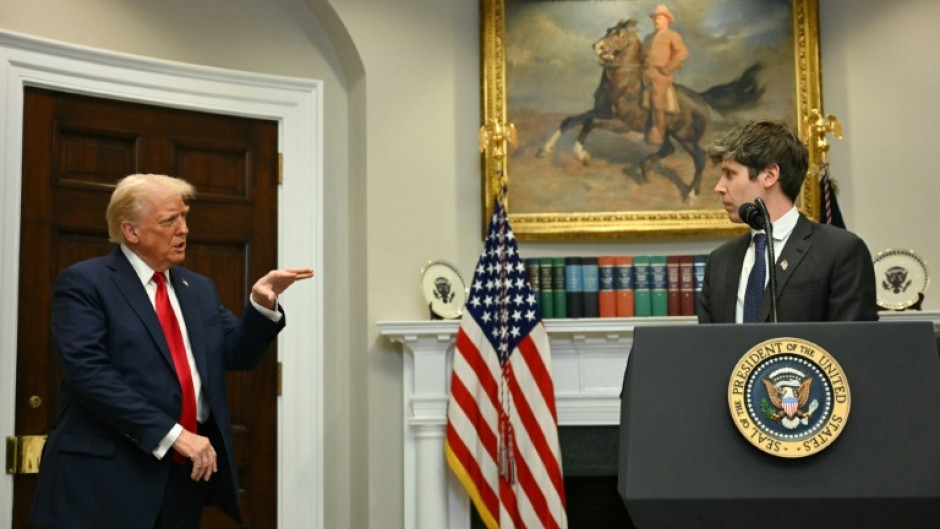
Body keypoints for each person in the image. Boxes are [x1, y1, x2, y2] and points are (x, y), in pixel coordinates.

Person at [29, 174, 314, 529]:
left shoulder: (197, 288)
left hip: (181, 482)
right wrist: (174, 435)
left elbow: (237, 354)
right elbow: (88, 375)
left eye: (184, 217)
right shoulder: (86, 283)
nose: (184, 230)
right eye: (169, 220)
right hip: (105, 482)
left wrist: (260, 306)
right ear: (131, 231)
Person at [696, 120, 878, 323]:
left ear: (770, 175)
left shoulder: (840, 251)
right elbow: (708, 347)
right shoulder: (720, 261)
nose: (719, 187)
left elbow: (852, 344)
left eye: (730, 174)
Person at [642, 4, 688, 146]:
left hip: (661, 75)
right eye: (655, 18)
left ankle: (658, 131)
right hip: (645, 72)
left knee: (656, 98)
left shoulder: (672, 35)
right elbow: (643, 55)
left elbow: (682, 53)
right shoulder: (648, 38)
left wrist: (668, 68)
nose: (657, 21)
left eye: (660, 18)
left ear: (667, 20)